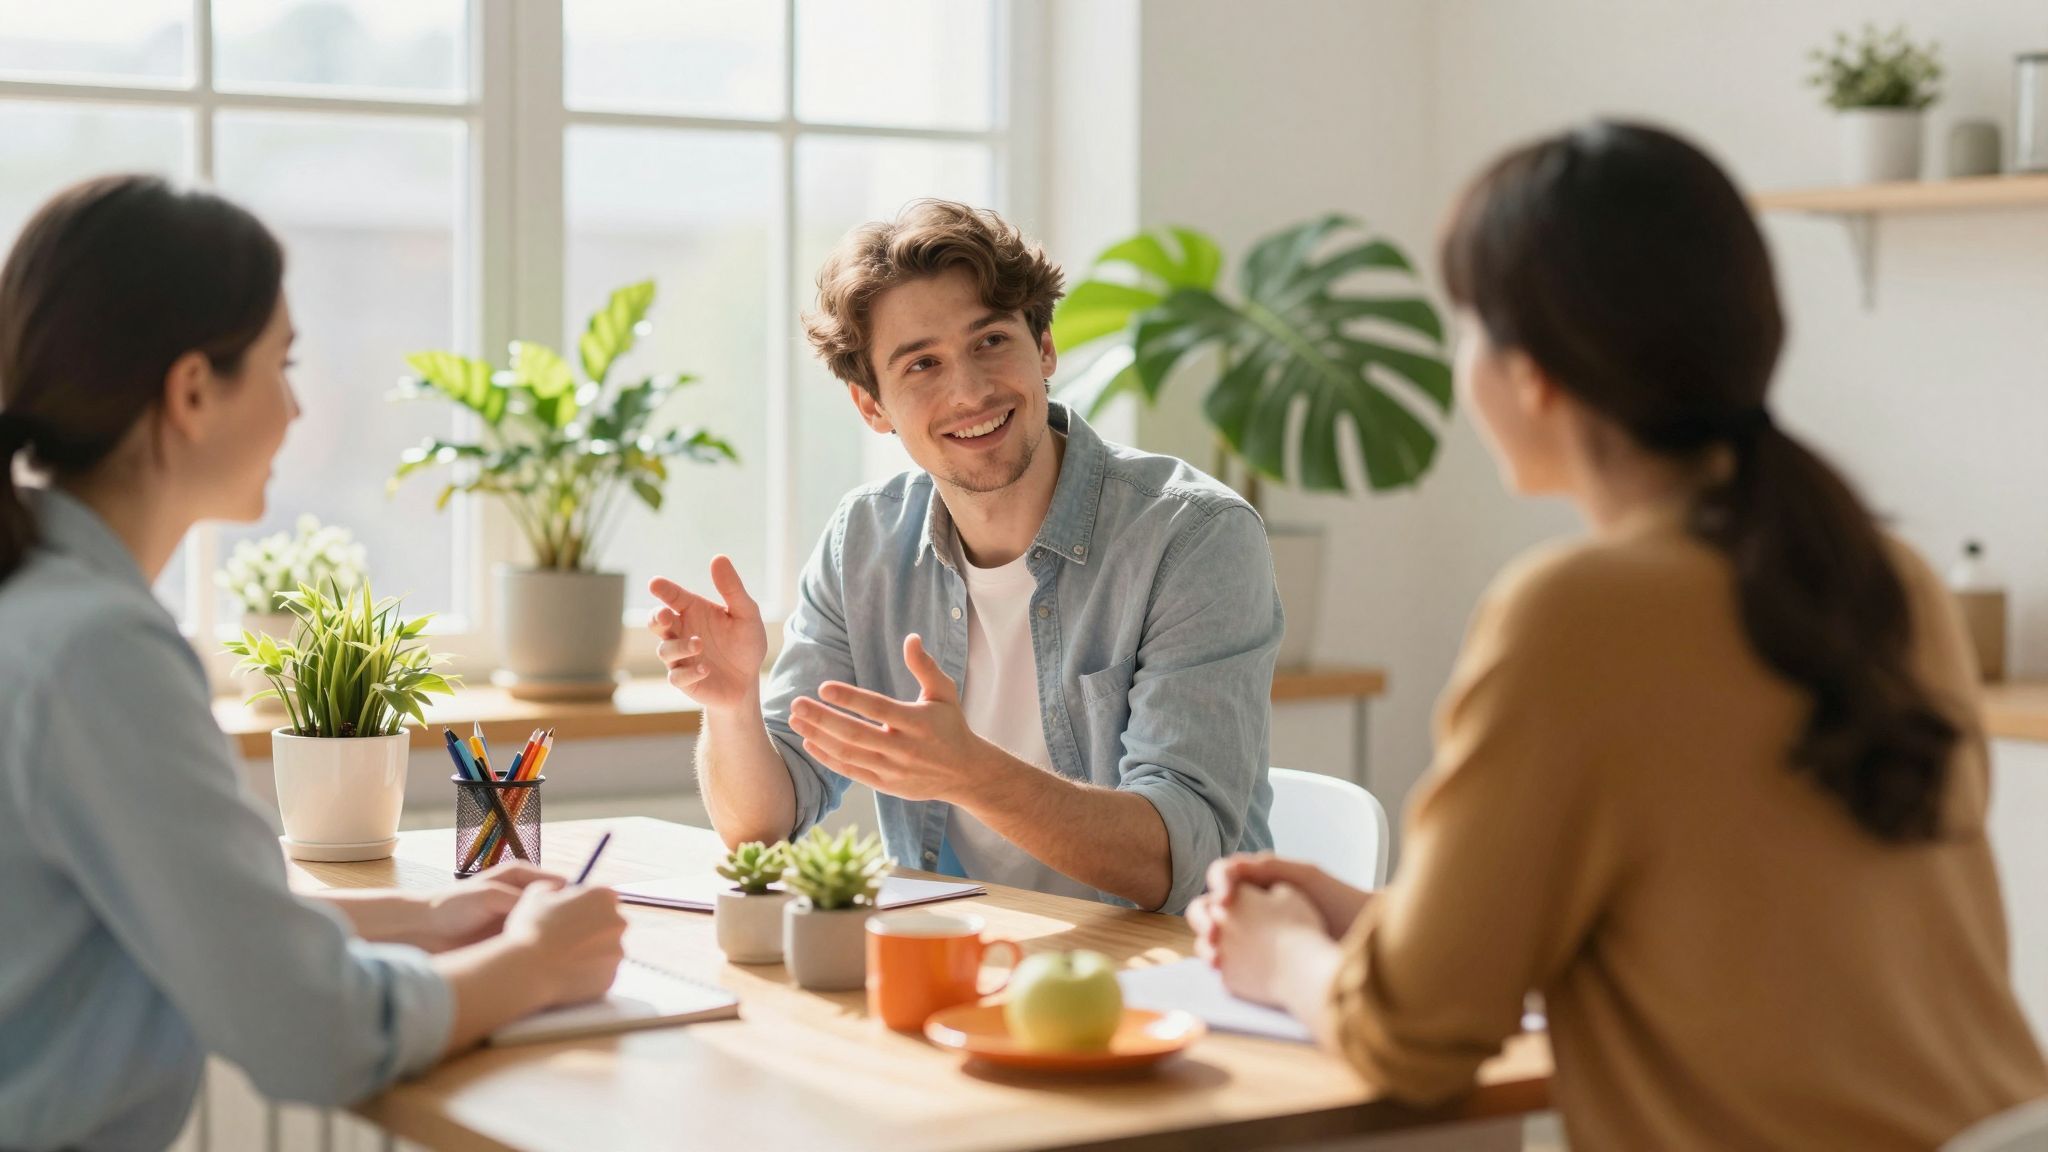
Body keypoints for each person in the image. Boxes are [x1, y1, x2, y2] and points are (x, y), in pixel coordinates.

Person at [1188, 122, 2048, 1149]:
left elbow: (1412, 1038)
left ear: (1535, 370)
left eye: (1467, 327)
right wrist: (1373, 918)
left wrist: (1279, 954)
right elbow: (1723, 941)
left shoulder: (1577, 612)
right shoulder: (1885, 577)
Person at [0, 175, 627, 1152]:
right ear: (193, 390)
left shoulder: (36, 603)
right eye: (281, 364)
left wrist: (425, 915)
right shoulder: (97, 653)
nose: (296, 410)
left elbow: (189, 910)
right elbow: (313, 1033)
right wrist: (535, 966)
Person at [648, 200, 1281, 914]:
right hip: (955, 961)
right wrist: (732, 706)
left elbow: (1182, 857)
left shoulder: (1193, 536)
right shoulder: (864, 543)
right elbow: (760, 826)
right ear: (872, 407)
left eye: (990, 342)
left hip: (1163, 977)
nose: (971, 391)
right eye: (922, 364)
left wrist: (969, 772)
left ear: (1044, 349)